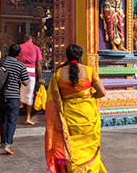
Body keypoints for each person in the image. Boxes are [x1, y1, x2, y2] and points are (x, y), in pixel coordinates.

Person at [45, 44, 107, 173]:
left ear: (67, 56)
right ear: (81, 56)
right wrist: (90, 96)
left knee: (71, 147)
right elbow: (102, 92)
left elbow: (53, 99)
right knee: (90, 147)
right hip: (87, 115)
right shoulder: (90, 71)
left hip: (68, 117)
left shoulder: (57, 74)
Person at [0, 44, 29, 155]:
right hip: (13, 96)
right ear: (19, 54)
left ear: (8, 51)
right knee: (11, 120)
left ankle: (3, 141)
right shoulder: (20, 65)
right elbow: (26, 82)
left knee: (2, 119)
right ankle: (7, 144)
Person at [18, 32, 43, 125]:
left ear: (24, 40)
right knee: (29, 94)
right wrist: (40, 78)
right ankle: (28, 117)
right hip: (31, 73)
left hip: (20, 71)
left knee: (19, 91)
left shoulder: (20, 47)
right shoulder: (36, 48)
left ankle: (20, 105)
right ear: (32, 39)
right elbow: (38, 64)